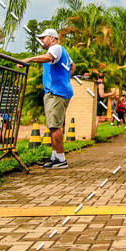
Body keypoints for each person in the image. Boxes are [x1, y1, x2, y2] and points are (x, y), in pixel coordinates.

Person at [23, 28, 75, 169]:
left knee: (55, 126)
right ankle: (55, 156)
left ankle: (61, 159)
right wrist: (65, 79)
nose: (41, 40)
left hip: (56, 93)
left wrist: (29, 59)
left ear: (52, 38)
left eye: (43, 38)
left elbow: (48, 58)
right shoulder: (63, 51)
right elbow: (72, 66)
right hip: (59, 92)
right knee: (53, 125)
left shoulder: (56, 48)